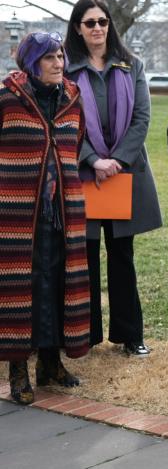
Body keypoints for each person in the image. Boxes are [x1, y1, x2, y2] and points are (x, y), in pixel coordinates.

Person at [64, 0, 162, 357]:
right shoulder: (68, 69)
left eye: (102, 22)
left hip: (123, 172)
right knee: (84, 256)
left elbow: (141, 118)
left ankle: (130, 335)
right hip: (83, 174)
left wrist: (116, 159)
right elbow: (67, 121)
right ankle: (84, 335)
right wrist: (92, 159)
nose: (97, 28)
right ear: (78, 28)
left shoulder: (131, 65)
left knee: (123, 254)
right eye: (89, 23)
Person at [1, 32, 91, 404]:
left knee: (60, 281)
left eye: (60, 56)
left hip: (64, 210)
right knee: (22, 287)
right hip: (18, 212)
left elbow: (77, 143)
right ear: (31, 62)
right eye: (49, 57)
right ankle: (18, 369)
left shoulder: (72, 98)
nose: (58, 64)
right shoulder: (7, 99)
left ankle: (51, 362)